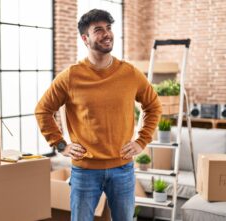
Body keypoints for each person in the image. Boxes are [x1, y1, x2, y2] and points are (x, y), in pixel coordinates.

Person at [35, 9, 162, 221]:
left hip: (123, 169)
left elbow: (153, 106)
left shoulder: (129, 73)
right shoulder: (71, 76)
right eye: (99, 30)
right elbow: (43, 110)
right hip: (85, 172)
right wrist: (59, 144)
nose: (107, 34)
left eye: (109, 28)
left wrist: (142, 140)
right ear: (85, 39)